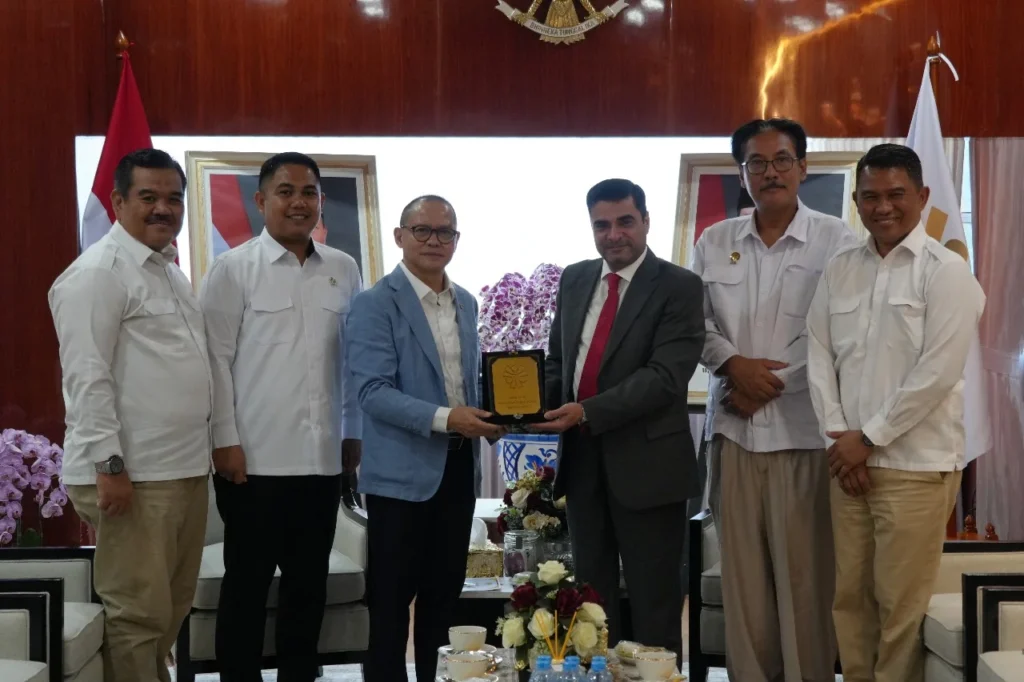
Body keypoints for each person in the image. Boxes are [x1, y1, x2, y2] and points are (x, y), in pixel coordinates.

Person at [808, 143, 984, 682]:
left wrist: (868, 439)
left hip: (915, 466)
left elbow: (938, 372)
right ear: (856, 201)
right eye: (870, 196)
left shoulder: (947, 272)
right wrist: (841, 440)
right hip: (847, 465)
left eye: (896, 194)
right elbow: (818, 354)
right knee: (850, 599)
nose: (882, 207)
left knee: (899, 609)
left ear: (922, 196)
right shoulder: (840, 268)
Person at [691, 118, 858, 682]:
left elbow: (840, 332)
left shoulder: (838, 240)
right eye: (757, 163)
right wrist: (733, 367)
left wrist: (767, 384)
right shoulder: (714, 242)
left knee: (806, 584)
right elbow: (695, 324)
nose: (771, 172)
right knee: (744, 589)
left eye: (782, 160)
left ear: (803, 167)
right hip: (734, 436)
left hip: (804, 436)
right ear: (742, 173)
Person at [48, 148, 212, 682]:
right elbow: (86, 378)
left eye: (173, 198)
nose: (163, 208)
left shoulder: (167, 271)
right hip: (133, 474)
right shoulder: (98, 273)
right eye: (148, 197)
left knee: (171, 607)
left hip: (182, 468)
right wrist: (110, 466)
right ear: (118, 202)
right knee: (137, 615)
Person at [200, 152, 363, 682]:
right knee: (247, 588)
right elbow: (214, 363)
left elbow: (352, 360)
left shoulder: (343, 268)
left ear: (320, 200)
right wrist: (224, 442)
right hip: (254, 463)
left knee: (307, 589)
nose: (299, 202)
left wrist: (352, 432)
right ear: (261, 200)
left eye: (309, 192)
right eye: (286, 191)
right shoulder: (233, 269)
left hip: (322, 461)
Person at [536, 178, 705, 660]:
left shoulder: (679, 285)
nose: (613, 235)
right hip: (583, 461)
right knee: (591, 600)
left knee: (655, 601)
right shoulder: (575, 279)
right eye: (602, 225)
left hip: (649, 466)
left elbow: (665, 376)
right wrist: (527, 404)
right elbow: (558, 360)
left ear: (646, 221)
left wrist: (588, 410)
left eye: (625, 222)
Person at [346, 195, 503, 682]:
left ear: (456, 240)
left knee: (444, 597)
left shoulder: (466, 302)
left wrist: (500, 415)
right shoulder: (374, 304)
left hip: (457, 468)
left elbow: (465, 383)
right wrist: (448, 419)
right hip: (400, 476)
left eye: (445, 232)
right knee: (391, 602)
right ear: (400, 236)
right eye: (422, 230)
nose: (435, 240)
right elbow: (372, 392)